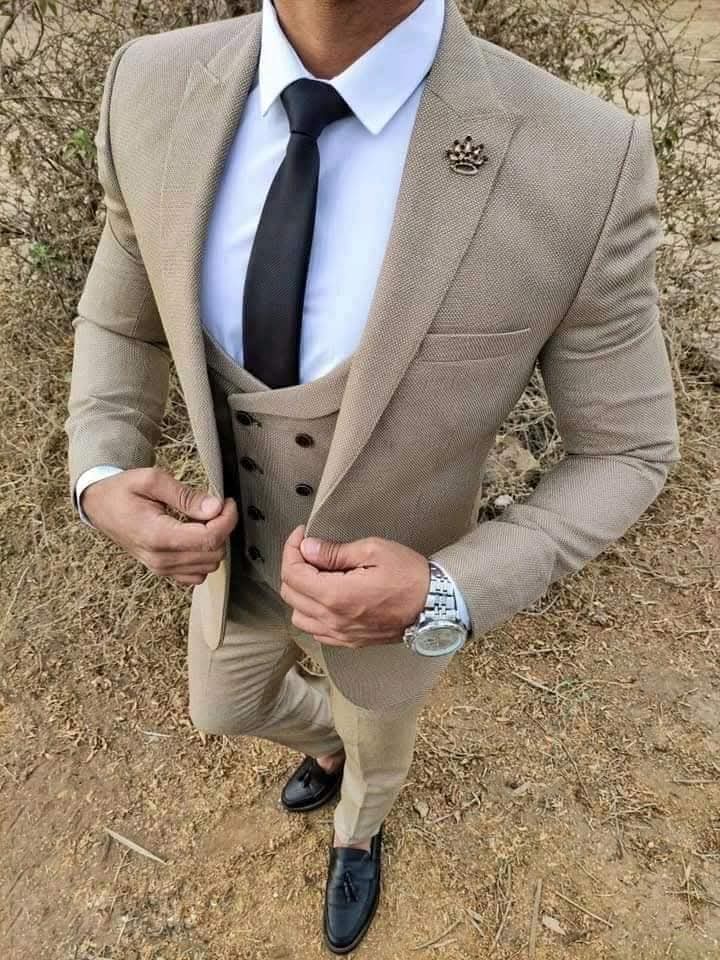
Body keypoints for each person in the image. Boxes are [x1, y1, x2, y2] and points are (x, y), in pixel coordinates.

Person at [64, 0, 680, 951]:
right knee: (223, 708)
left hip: (398, 616)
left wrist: (447, 592)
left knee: (380, 756)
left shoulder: (585, 160)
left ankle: (360, 831)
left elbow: (629, 448)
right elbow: (120, 319)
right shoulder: (147, 84)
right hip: (230, 567)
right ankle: (326, 746)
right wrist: (102, 466)